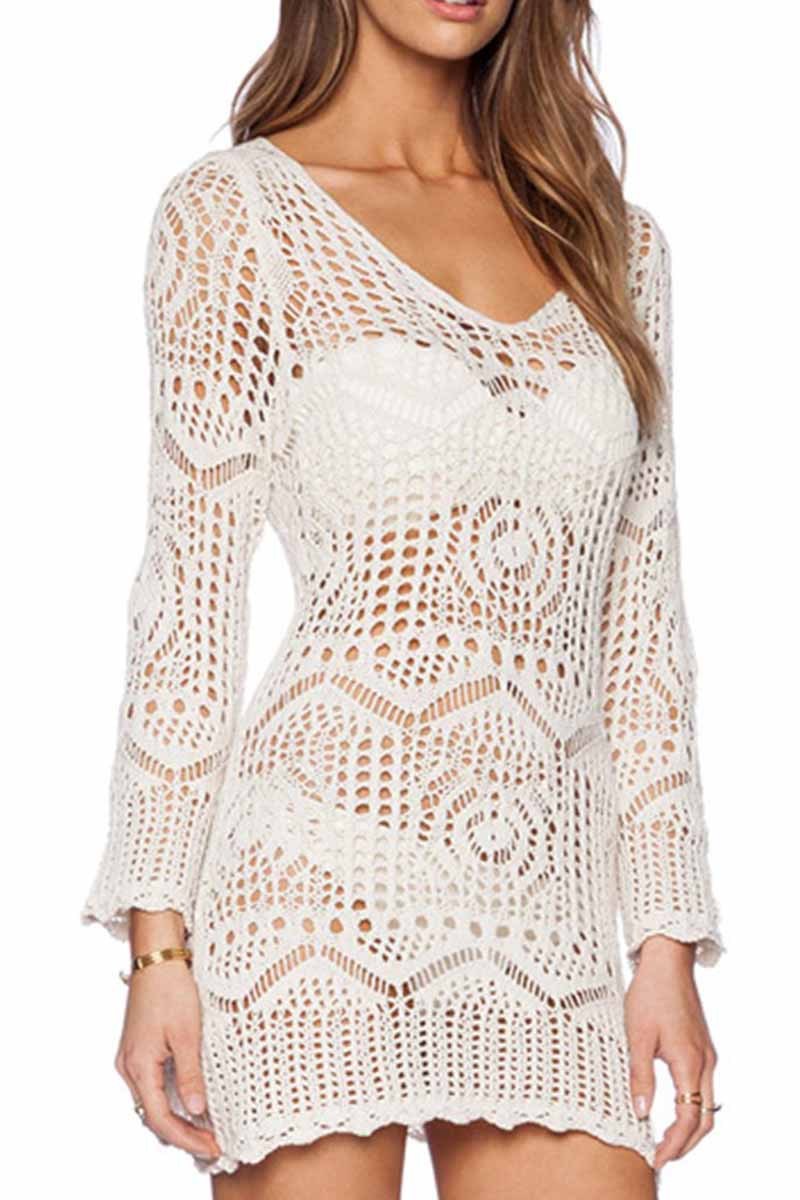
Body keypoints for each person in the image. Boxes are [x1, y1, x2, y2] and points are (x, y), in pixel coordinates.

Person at [81, 2, 726, 1197]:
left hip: (549, 910)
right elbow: (186, 605)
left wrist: (664, 940)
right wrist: (158, 950)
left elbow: (640, 632)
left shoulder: (611, 242)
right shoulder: (237, 217)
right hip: (312, 893)